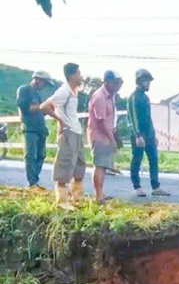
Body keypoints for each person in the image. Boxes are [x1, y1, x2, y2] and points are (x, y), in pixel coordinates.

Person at [40, 63, 86, 210]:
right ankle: (61, 201)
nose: (80, 76)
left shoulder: (74, 91)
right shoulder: (63, 91)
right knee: (65, 164)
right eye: (78, 74)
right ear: (71, 75)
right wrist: (60, 120)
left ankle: (77, 197)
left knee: (79, 164)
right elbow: (45, 106)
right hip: (68, 133)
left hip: (76, 131)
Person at [128, 69, 170, 197]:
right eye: (146, 81)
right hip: (139, 135)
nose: (148, 84)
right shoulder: (134, 97)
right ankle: (137, 187)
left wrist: (154, 134)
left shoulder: (146, 97)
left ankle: (156, 186)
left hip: (149, 134)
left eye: (149, 81)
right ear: (139, 81)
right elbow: (133, 118)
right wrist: (138, 135)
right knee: (137, 160)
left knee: (154, 159)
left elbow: (148, 118)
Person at [87, 70, 123, 204]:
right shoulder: (100, 97)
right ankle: (98, 195)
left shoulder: (109, 96)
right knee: (100, 165)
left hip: (106, 135)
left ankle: (100, 192)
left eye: (119, 83)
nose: (117, 86)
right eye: (115, 83)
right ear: (107, 82)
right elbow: (101, 121)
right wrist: (111, 139)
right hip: (100, 136)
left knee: (104, 165)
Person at [16, 70, 52, 190]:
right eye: (45, 83)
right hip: (30, 128)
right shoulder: (24, 90)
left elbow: (39, 110)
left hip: (40, 129)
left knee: (40, 155)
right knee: (30, 155)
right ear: (37, 80)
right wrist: (43, 106)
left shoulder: (37, 94)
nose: (45, 86)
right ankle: (32, 183)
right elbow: (25, 108)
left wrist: (47, 109)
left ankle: (35, 180)